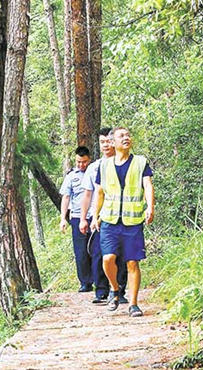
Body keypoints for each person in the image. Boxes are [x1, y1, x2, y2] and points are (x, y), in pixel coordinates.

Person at [90, 127, 155, 317]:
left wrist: (150, 207)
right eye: (121, 136)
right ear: (112, 142)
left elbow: (148, 185)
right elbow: (99, 193)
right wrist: (95, 216)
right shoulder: (103, 166)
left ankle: (133, 304)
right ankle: (114, 288)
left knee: (132, 263)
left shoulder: (140, 162)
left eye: (128, 135)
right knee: (108, 259)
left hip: (132, 221)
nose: (126, 138)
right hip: (110, 220)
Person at [80, 128, 127, 304]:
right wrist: (85, 218)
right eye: (102, 142)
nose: (106, 145)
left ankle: (119, 290)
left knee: (120, 255)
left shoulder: (125, 163)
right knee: (99, 253)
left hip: (121, 216)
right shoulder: (94, 168)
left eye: (108, 141)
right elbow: (88, 194)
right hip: (99, 217)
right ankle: (101, 291)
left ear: (114, 142)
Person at [59, 146, 94, 292]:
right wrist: (63, 218)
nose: (81, 165)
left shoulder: (95, 172)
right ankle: (85, 282)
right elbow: (66, 197)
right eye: (79, 162)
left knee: (96, 249)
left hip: (94, 216)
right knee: (80, 251)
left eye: (84, 162)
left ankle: (100, 280)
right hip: (77, 216)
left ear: (89, 159)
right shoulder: (71, 176)